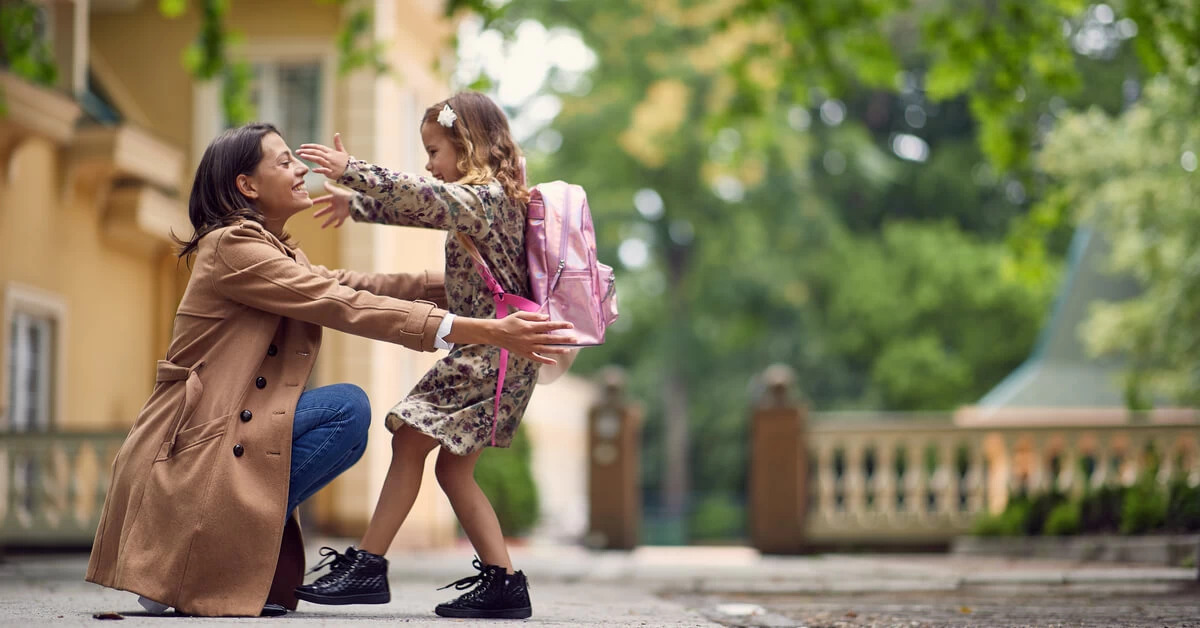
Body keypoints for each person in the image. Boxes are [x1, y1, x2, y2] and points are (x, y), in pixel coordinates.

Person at [85, 122, 573, 618]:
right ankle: (194, 546)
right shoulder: (233, 249)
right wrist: (487, 330)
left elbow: (354, 282)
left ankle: (204, 554)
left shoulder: (274, 249)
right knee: (346, 409)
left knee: (348, 415)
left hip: (226, 430)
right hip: (194, 444)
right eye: (283, 161)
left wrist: (475, 286)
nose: (300, 170)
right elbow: (339, 302)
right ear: (247, 186)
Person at [293, 92, 557, 619]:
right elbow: (431, 205)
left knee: (410, 436)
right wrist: (358, 204)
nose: (430, 163)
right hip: (497, 350)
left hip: (494, 348)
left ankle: (368, 565)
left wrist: (354, 173)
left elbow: (427, 198)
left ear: (469, 147)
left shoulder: (485, 198)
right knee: (453, 471)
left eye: (435, 150)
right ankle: (505, 583)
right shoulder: (491, 198)